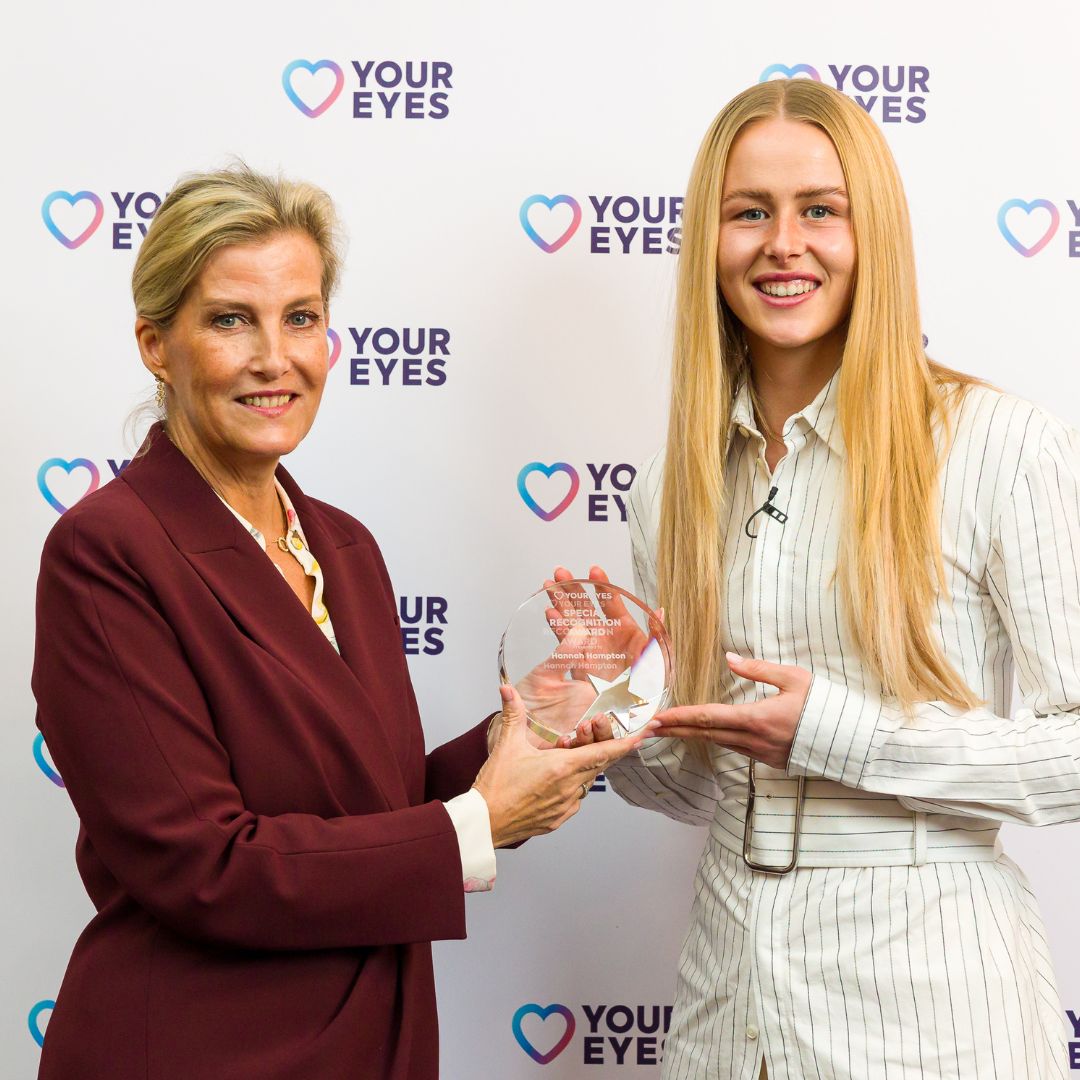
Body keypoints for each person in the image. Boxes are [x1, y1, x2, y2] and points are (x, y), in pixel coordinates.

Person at [31, 167, 644, 1080]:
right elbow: (207, 866)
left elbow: (372, 807)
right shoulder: (107, 551)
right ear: (156, 345)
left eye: (301, 317)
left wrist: (536, 722)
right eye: (230, 320)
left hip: (373, 1044)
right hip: (204, 1054)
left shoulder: (342, 545)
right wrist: (477, 823)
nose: (274, 358)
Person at [575, 78, 1077, 1078]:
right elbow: (697, 786)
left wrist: (838, 731)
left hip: (932, 1010)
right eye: (749, 213)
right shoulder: (674, 486)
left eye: (819, 210)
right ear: (709, 241)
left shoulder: (998, 444)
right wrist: (621, 716)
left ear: (871, 232)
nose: (783, 245)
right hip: (728, 1005)